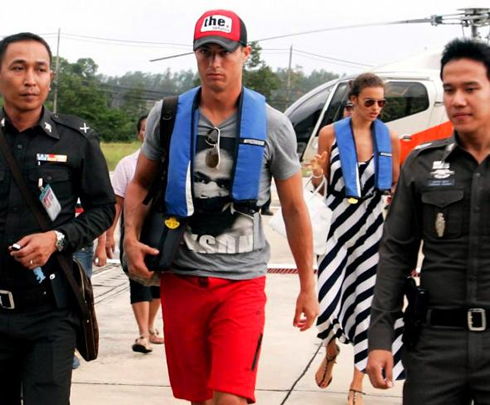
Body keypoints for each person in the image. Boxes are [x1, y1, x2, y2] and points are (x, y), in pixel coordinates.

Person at [123, 9, 319, 405]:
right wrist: (128, 238)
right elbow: (140, 182)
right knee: (200, 398)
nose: (214, 62)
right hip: (181, 278)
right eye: (205, 52)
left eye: (225, 52)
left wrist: (307, 285)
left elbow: (296, 209)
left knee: (229, 397)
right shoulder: (170, 115)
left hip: (242, 283)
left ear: (245, 53)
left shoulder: (272, 124)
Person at [367, 38, 490, 404]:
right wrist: (380, 339)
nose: (457, 100)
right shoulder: (421, 164)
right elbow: (395, 254)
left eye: (471, 89)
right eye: (449, 89)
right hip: (436, 346)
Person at [0, 33, 115, 405]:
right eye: (18, 68)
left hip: (50, 311)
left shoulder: (76, 139)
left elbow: (103, 209)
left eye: (40, 69)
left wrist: (58, 239)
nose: (30, 79)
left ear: (50, 78)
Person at [310, 73, 401, 405]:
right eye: (369, 102)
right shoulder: (330, 134)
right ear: (353, 101)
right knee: (326, 298)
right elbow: (319, 190)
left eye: (381, 102)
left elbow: (396, 191)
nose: (376, 108)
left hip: (371, 229)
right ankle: (331, 348)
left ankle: (357, 378)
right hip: (336, 227)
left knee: (366, 305)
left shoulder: (389, 138)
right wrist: (318, 174)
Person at [105, 114, 164, 354]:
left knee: (159, 282)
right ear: (139, 134)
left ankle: (150, 327)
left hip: (162, 229)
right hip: (134, 230)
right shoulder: (127, 165)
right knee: (137, 279)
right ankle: (142, 334)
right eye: (143, 129)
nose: (147, 133)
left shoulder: (172, 161)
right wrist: (108, 236)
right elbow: (116, 204)